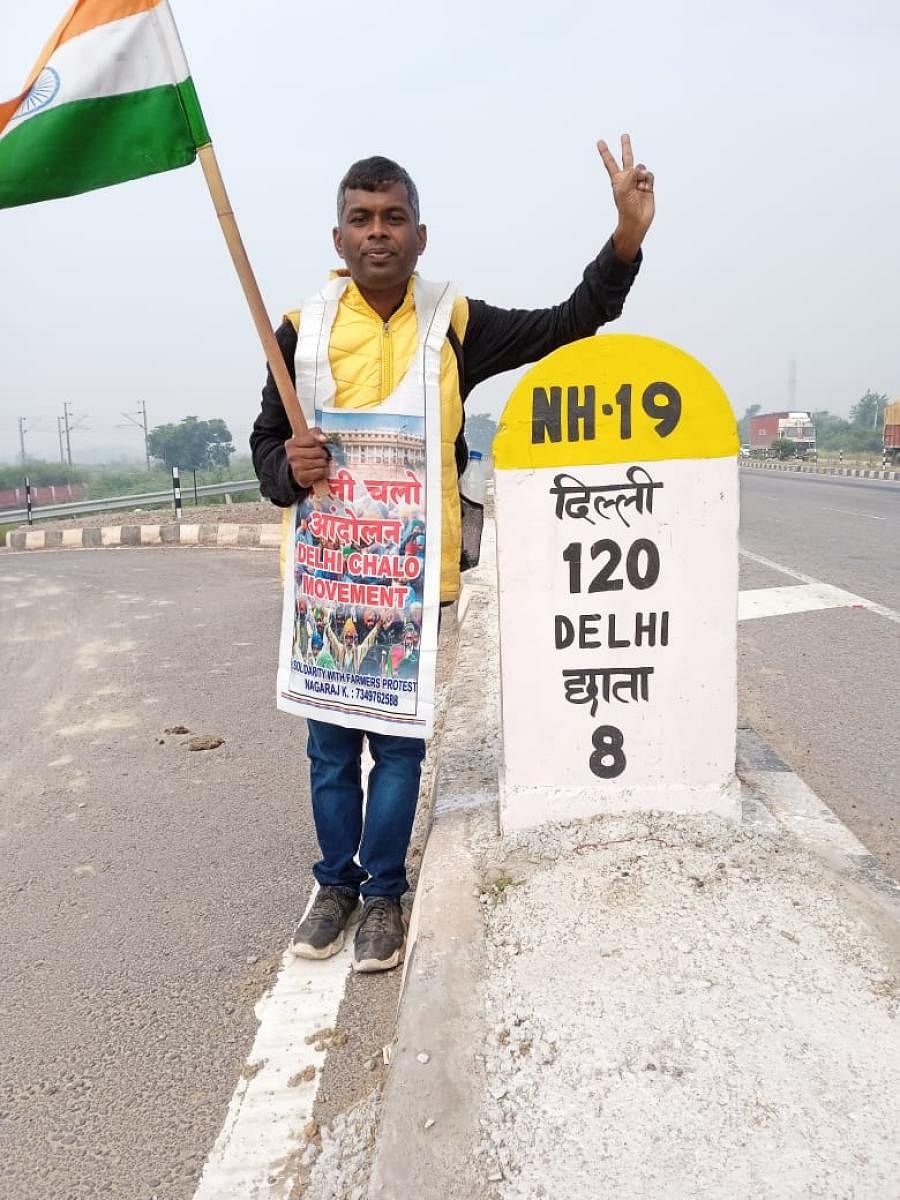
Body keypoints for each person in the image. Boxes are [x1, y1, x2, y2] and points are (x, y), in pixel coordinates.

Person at [251, 136, 654, 973]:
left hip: (416, 582)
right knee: (330, 748)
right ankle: (335, 884)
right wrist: (286, 469)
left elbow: (569, 323)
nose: (377, 233)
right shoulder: (298, 330)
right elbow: (263, 449)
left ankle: (385, 893)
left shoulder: (454, 322)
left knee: (399, 744)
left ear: (420, 236)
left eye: (393, 217)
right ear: (338, 241)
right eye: (360, 219)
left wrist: (624, 240)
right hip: (330, 582)